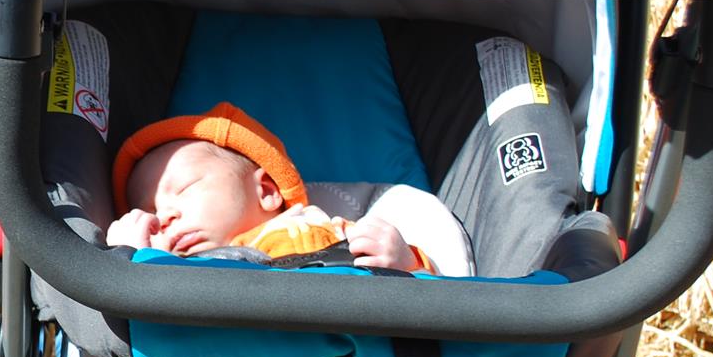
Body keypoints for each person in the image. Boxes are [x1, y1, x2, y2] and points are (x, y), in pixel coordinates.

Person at [104, 102, 457, 273]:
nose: (165, 217)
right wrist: (131, 259)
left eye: (185, 189)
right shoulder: (175, 272)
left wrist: (406, 262)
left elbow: (430, 301)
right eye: (149, 215)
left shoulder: (331, 233)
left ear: (267, 191)